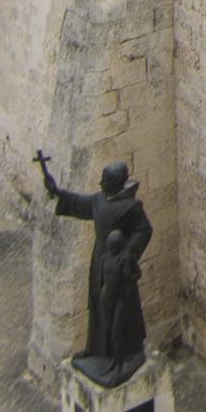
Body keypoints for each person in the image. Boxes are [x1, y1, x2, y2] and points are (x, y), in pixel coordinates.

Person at [35, 150, 153, 385]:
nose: (101, 183)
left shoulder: (131, 207)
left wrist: (127, 255)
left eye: (105, 180)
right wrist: (56, 191)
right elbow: (79, 203)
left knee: (120, 312)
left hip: (117, 266)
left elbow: (144, 230)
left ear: (115, 182)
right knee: (98, 305)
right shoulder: (99, 200)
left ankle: (123, 355)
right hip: (99, 260)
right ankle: (97, 350)